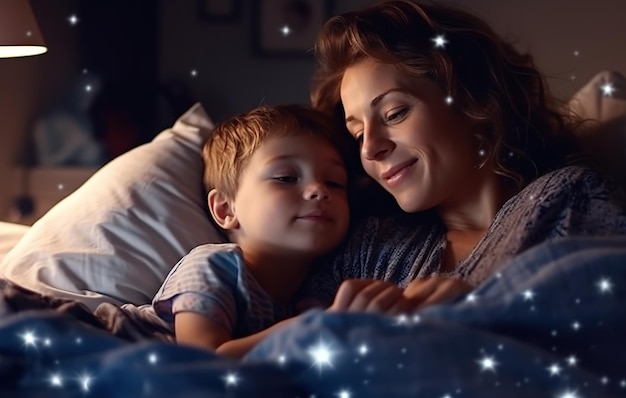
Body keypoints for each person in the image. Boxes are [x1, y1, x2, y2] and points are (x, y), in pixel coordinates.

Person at [304, 0, 626, 313]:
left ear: (475, 102)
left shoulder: (568, 201)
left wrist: (480, 312)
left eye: (395, 113)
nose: (370, 148)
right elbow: (280, 348)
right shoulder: (368, 247)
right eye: (358, 133)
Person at [147, 104, 352, 358]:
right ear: (226, 210)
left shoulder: (317, 294)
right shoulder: (213, 267)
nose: (320, 191)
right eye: (286, 178)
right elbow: (205, 361)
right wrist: (314, 327)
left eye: (334, 182)